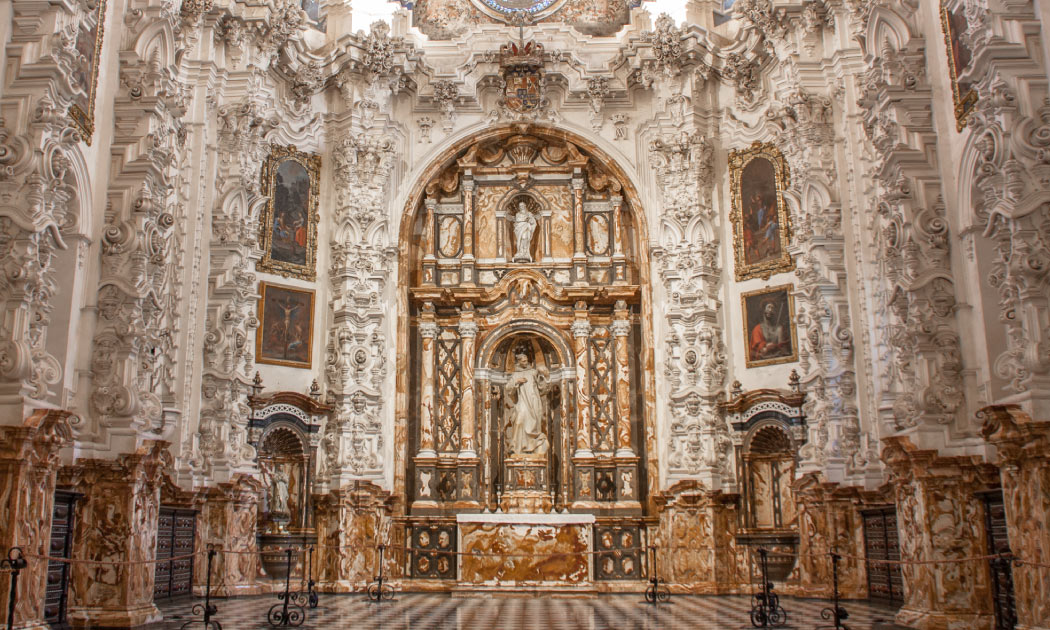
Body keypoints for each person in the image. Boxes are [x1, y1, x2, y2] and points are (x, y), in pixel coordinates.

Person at [503, 345, 549, 456]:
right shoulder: (515, 375)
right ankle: (517, 448)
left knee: (533, 424)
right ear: (518, 361)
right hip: (522, 402)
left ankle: (531, 448)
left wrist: (543, 376)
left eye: (526, 360)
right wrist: (517, 382)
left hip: (533, 402)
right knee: (519, 421)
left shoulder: (533, 372)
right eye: (522, 361)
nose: (525, 362)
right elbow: (508, 389)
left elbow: (543, 389)